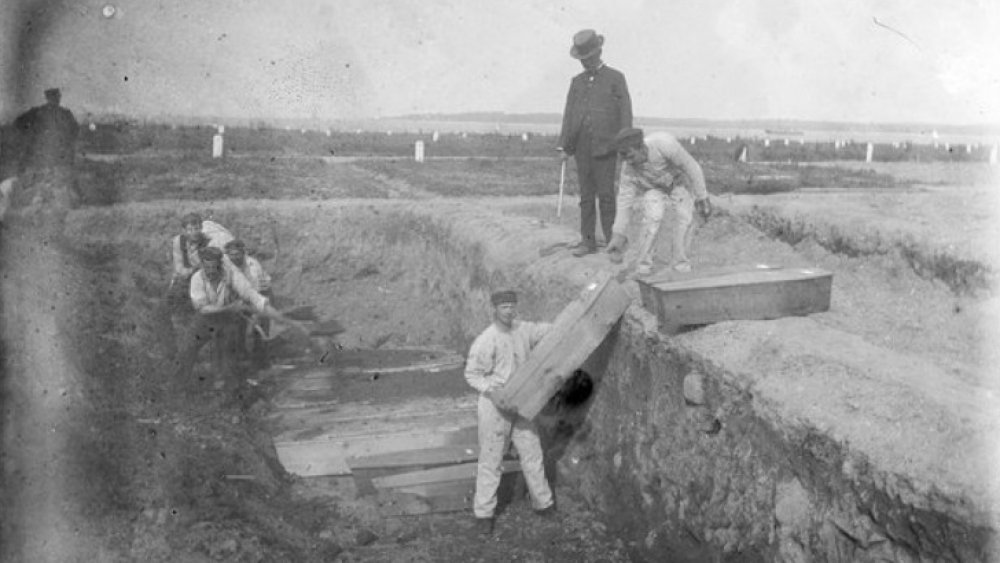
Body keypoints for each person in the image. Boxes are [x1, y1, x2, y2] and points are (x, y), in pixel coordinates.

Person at [464, 290, 556, 536]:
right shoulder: (487, 339)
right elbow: (472, 374)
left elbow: (545, 330)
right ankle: (484, 515)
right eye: (504, 307)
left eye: (512, 306)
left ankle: (543, 505)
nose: (509, 310)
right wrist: (492, 392)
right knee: (491, 460)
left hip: (521, 404)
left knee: (532, 453)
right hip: (496, 406)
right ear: (494, 310)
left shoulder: (522, 329)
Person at [173, 247, 305, 387]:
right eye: (207, 267)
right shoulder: (197, 279)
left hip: (226, 319)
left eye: (214, 266)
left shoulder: (232, 276)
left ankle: (230, 390)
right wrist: (231, 307)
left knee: (228, 354)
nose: (211, 270)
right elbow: (203, 308)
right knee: (186, 350)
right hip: (205, 319)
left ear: (220, 264)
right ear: (202, 265)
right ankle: (177, 387)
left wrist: (284, 320)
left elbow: (253, 297)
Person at [557, 29, 633, 257]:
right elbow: (569, 115)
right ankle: (587, 241)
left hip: (606, 148)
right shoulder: (576, 82)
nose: (584, 63)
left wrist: (625, 144)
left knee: (607, 196)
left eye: (588, 58)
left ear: (598, 53)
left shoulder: (615, 78)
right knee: (586, 197)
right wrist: (564, 146)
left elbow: (625, 113)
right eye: (581, 59)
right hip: (582, 149)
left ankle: (612, 242)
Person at [606, 127, 712, 276]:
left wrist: (702, 197)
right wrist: (618, 234)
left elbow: (691, 166)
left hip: (678, 181)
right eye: (624, 158)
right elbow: (624, 201)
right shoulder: (628, 169)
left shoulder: (664, 144)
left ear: (641, 148)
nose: (628, 162)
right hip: (652, 187)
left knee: (685, 218)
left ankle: (680, 266)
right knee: (653, 218)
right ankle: (643, 267)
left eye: (630, 156)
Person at [10, 88, 80, 220]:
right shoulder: (60, 113)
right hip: (52, 157)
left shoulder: (42, 113)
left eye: (57, 97)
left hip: (47, 156)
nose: (57, 99)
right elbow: (75, 131)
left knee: (51, 186)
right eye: (55, 97)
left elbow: (18, 123)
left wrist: (31, 136)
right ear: (51, 98)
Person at [224, 238, 273, 368]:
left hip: (254, 298)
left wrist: (266, 284)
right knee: (236, 327)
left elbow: (264, 282)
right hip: (233, 302)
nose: (234, 257)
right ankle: (239, 358)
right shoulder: (224, 267)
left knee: (262, 322)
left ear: (243, 253)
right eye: (231, 255)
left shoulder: (253, 264)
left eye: (237, 254)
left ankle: (261, 359)